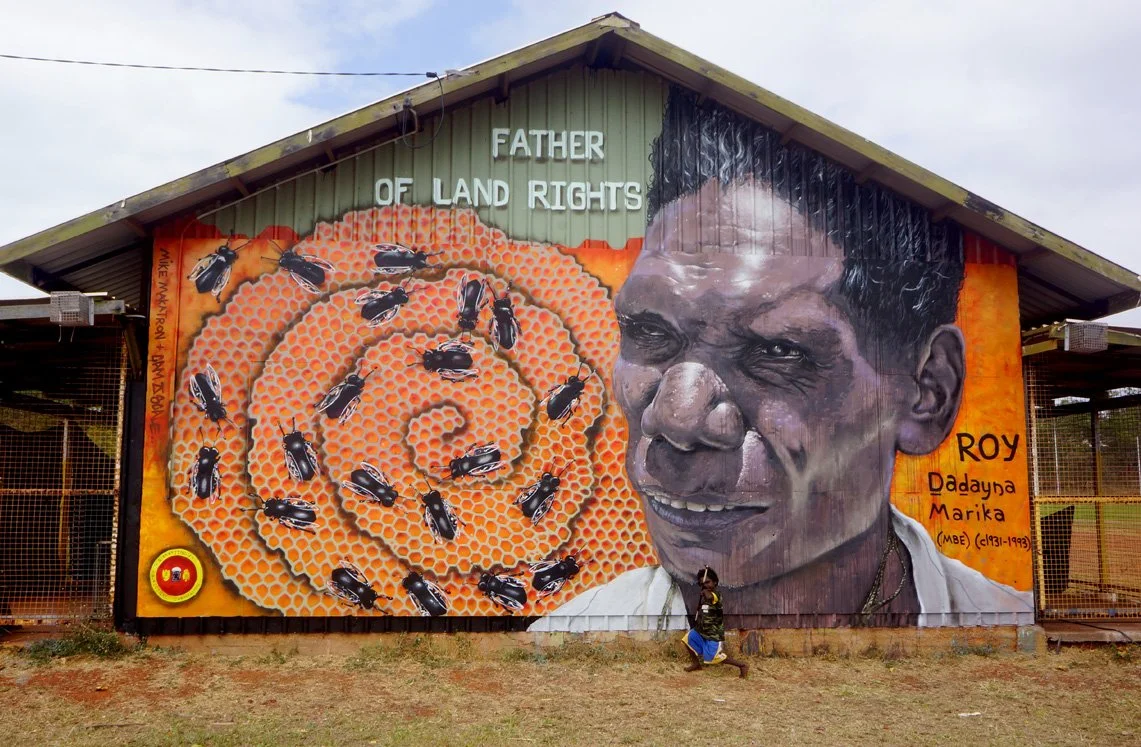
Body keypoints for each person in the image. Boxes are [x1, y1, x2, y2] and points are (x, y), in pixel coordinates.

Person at [530, 87, 1032, 633]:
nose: (676, 418)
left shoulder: (1002, 623)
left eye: (778, 352)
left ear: (928, 391)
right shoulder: (570, 639)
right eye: (650, 332)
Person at [684, 567, 748, 678]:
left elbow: (709, 597)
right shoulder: (705, 598)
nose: (705, 585)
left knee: (713, 658)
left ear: (715, 582)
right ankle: (696, 664)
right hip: (701, 631)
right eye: (702, 584)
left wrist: (705, 592)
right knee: (687, 639)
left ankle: (742, 665)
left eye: (707, 582)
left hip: (713, 635)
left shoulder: (716, 595)